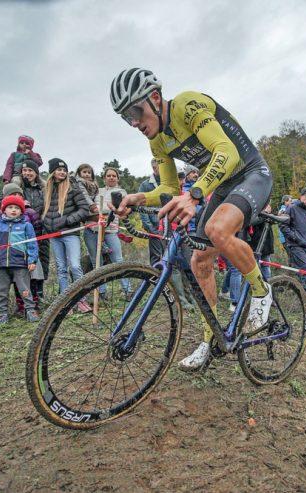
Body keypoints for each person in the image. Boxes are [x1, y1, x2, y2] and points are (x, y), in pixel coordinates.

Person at [110, 68, 273, 371]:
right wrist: (139, 198)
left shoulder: (188, 105)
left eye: (136, 111)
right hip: (223, 184)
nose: (134, 123)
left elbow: (227, 153)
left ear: (155, 98)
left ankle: (262, 292)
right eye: (126, 117)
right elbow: (170, 189)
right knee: (200, 260)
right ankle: (210, 339)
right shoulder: (157, 140)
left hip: (252, 173)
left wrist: (196, 194)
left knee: (216, 229)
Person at [41, 158, 93, 312]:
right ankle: (66, 303)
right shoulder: (47, 190)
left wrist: (66, 221)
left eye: (64, 170)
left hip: (70, 233)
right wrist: (46, 224)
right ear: (53, 172)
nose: (62, 172)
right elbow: (44, 211)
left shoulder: (73, 187)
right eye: (59, 169)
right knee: (61, 268)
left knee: (75, 266)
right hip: (54, 235)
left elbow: (84, 209)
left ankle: (81, 300)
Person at [0, 195, 39, 324]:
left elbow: (32, 244)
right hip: (1, 264)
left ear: (22, 211)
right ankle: (2, 313)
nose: (13, 210)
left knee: (24, 289)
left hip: (20, 263)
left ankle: (30, 310)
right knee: (1, 291)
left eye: (17, 208)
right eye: (10, 207)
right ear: (4, 210)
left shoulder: (26, 226)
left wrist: (32, 260)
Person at [0, 183, 44, 314]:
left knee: (30, 281)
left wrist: (32, 252)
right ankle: (20, 307)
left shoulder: (30, 213)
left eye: (19, 194)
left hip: (26, 254)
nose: (17, 197)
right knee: (14, 283)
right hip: (7, 256)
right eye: (13, 194)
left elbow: (37, 230)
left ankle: (33, 306)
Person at [91, 167, 130, 296]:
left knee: (117, 259)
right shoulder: (98, 191)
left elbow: (119, 207)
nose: (111, 177)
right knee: (97, 261)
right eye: (109, 175)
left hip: (111, 229)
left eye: (114, 175)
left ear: (118, 178)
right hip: (94, 229)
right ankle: (102, 292)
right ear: (104, 178)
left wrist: (101, 211)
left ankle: (127, 289)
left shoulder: (121, 191)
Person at [279, 187, 306, 297]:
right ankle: (303, 294)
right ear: (301, 197)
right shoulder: (292, 208)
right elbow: (283, 225)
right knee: (304, 269)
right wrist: (295, 237)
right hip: (296, 244)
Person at [21, 160, 49, 300]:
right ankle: (27, 295)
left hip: (42, 230)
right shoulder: (18, 187)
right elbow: (3, 202)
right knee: (27, 263)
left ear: (36, 173)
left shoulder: (43, 188)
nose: (27, 173)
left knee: (42, 260)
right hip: (23, 232)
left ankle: (40, 293)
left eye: (30, 171)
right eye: (25, 171)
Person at [137, 159, 163, 265]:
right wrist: (149, 227)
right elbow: (141, 207)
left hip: (170, 226)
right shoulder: (145, 185)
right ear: (154, 167)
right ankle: (155, 280)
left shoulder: (171, 182)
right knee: (156, 256)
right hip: (155, 227)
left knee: (170, 256)